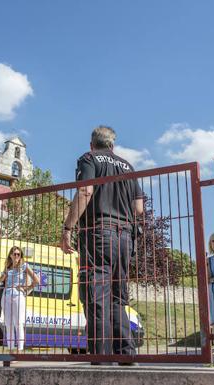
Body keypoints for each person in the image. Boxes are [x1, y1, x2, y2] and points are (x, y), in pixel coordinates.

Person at [60, 125, 144, 363]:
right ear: (112, 145)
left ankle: (100, 358)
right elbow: (138, 208)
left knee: (97, 295)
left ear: (91, 144)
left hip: (98, 234)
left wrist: (67, 228)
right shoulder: (128, 166)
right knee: (118, 298)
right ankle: (126, 355)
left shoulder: (88, 159)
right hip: (126, 237)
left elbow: (85, 192)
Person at [0, 246, 39, 352]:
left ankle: (20, 350)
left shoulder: (24, 266)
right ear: (10, 255)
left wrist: (26, 289)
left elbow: (37, 280)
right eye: (14, 254)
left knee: (18, 323)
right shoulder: (8, 267)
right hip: (6, 296)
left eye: (18, 254)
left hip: (18, 296)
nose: (16, 256)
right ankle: (11, 349)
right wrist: (5, 272)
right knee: (8, 323)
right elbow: (0, 280)